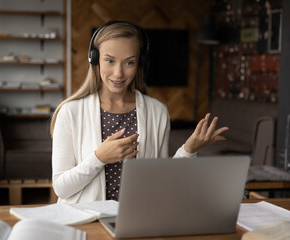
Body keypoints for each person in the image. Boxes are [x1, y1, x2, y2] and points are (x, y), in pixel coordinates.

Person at [50, 21, 228, 203]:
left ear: (140, 63)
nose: (118, 73)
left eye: (129, 62)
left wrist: (189, 149)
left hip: (137, 217)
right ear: (95, 59)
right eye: (110, 61)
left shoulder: (157, 111)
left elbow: (162, 181)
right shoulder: (70, 112)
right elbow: (61, 189)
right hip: (86, 219)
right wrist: (99, 158)